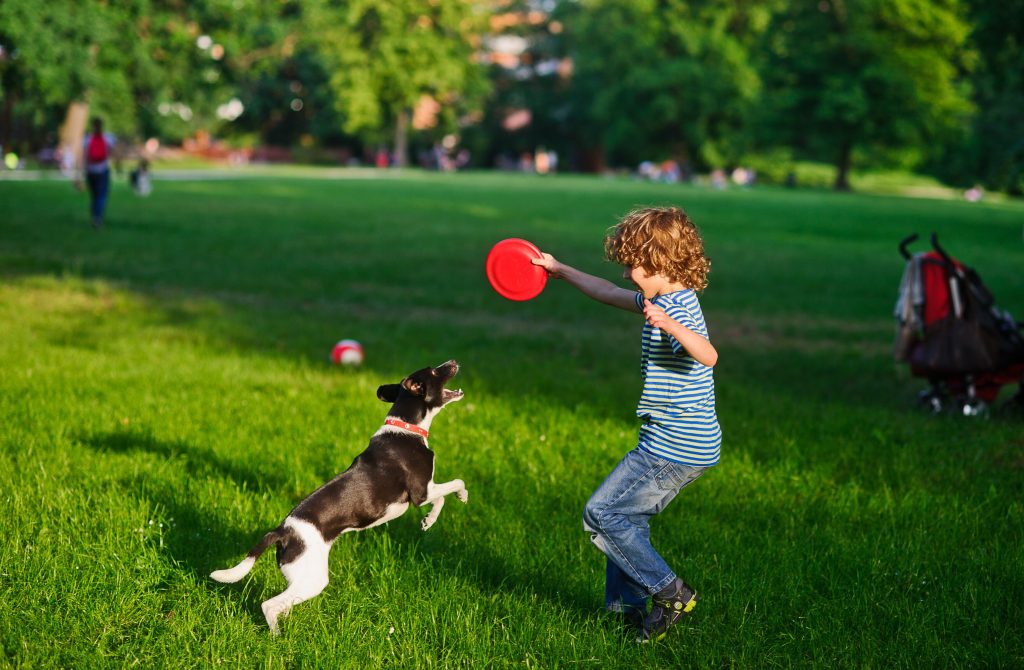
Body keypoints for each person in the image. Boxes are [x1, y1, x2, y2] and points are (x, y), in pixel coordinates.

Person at [531, 206, 721, 643]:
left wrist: (671, 325)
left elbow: (709, 355)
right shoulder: (661, 297)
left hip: (675, 448)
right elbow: (606, 292)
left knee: (602, 513)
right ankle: (626, 612)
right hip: (677, 442)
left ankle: (670, 591)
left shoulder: (679, 311)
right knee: (627, 520)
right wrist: (560, 269)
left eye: (637, 265)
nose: (629, 274)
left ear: (665, 264)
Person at [82, 117, 116, 228]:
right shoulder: (108, 138)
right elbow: (113, 152)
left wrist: (80, 172)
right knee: (101, 196)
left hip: (90, 171)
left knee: (94, 195)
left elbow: (83, 156)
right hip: (102, 170)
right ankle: (98, 218)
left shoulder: (87, 139)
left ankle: (94, 216)